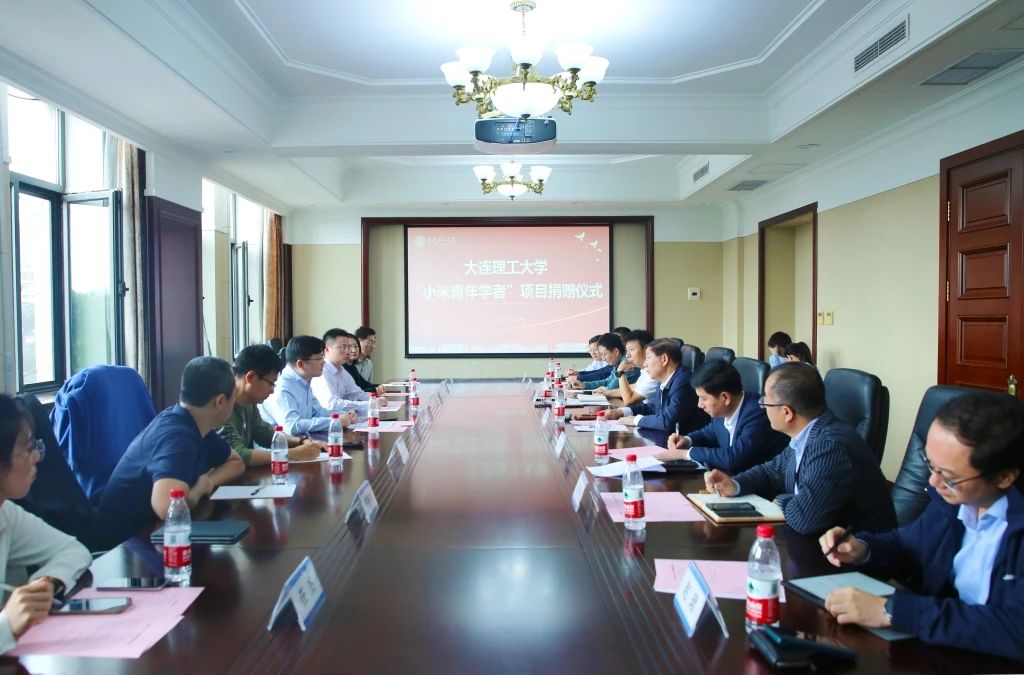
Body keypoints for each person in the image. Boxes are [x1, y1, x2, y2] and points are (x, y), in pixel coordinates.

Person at [818, 392, 1024, 661]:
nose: (933, 483)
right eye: (930, 465)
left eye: (948, 477)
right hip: (943, 651)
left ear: (1005, 477)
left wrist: (893, 611)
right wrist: (862, 548)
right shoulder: (955, 500)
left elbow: (1015, 628)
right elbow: (909, 545)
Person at [703, 362, 895, 536]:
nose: (762, 407)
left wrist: (782, 500)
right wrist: (735, 484)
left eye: (766, 402)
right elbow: (772, 471)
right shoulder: (808, 433)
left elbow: (805, 519)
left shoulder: (830, 446)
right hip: (818, 541)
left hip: (853, 554)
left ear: (787, 412)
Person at [94, 357, 246, 550]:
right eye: (233, 397)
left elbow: (236, 463)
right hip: (125, 547)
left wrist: (208, 481)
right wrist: (198, 490)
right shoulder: (178, 437)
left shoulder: (195, 423)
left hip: (154, 536)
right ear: (220, 401)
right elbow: (167, 507)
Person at [0, 394, 91, 653]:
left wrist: (45, 584)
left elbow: (73, 550)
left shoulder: (6, 513)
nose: (37, 458)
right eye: (28, 448)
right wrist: (7, 624)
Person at [659, 359, 789, 472]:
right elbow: (711, 431)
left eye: (703, 399)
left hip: (756, 487)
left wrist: (685, 454)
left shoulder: (757, 414)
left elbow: (732, 458)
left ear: (725, 397)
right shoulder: (724, 408)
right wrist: (688, 440)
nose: (699, 404)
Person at [217, 345, 325, 467]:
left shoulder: (249, 401)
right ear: (251, 377)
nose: (272, 391)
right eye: (271, 383)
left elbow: (264, 433)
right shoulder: (221, 405)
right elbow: (238, 455)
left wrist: (302, 442)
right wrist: (292, 454)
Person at [602, 338, 708, 434]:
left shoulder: (683, 380)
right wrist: (621, 411)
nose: (644, 364)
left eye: (648, 357)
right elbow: (652, 407)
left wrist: (636, 420)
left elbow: (668, 421)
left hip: (685, 441)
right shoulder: (665, 378)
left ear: (664, 359)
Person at [261, 336, 358, 436]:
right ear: (300, 364)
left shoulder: (303, 380)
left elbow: (318, 412)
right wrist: (335, 421)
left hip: (304, 440)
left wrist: (344, 414)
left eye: (323, 357)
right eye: (319, 358)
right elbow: (292, 426)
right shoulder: (282, 387)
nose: (324, 362)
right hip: (280, 444)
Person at [313, 329, 372, 413]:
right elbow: (331, 404)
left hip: (344, 417)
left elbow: (356, 393)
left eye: (348, 347)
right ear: (327, 349)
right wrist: (368, 404)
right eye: (343, 347)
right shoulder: (320, 371)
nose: (348, 352)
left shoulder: (341, 370)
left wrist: (373, 399)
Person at [597, 330, 658, 407]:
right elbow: (634, 387)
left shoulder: (654, 373)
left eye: (631, 350)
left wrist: (621, 372)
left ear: (647, 350)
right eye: (627, 350)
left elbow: (628, 401)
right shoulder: (644, 370)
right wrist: (605, 393)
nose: (628, 355)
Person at [569, 333, 638, 391]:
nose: (603, 359)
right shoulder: (617, 361)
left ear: (616, 351)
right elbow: (607, 381)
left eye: (604, 354)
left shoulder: (627, 363)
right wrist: (584, 385)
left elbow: (611, 388)